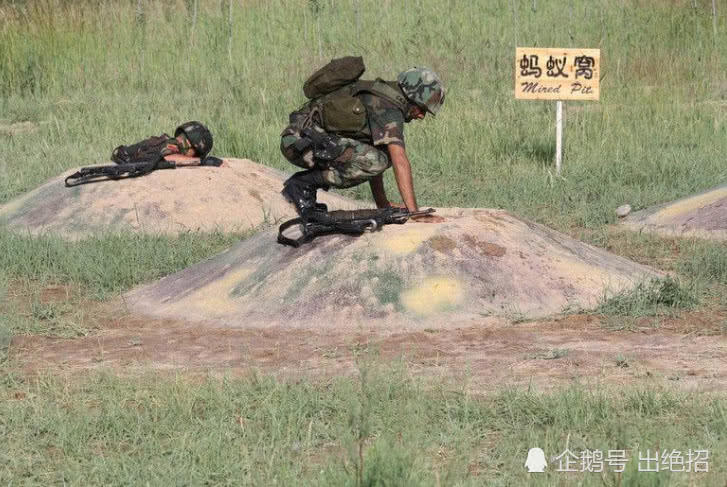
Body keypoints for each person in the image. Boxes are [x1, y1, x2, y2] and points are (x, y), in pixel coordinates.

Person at [280, 66, 445, 223]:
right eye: (421, 109)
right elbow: (399, 159)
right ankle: (302, 185)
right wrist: (415, 213)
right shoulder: (388, 107)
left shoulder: (386, 96)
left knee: (380, 156)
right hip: (298, 143)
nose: (421, 116)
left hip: (308, 140)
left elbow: (376, 150)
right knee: (377, 160)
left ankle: (305, 185)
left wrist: (383, 205)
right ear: (411, 98)